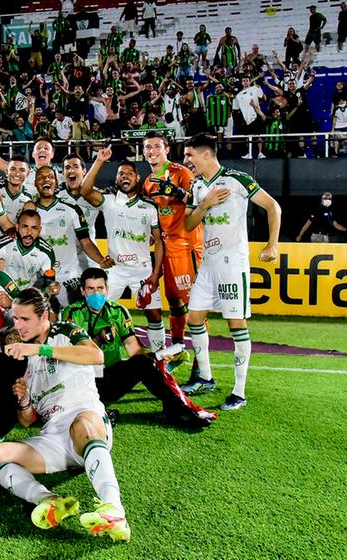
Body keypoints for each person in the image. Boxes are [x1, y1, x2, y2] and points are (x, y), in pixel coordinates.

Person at [0, 288, 130, 542]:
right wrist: (24, 398)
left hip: (87, 421)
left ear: (44, 315)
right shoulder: (25, 362)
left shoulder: (65, 331)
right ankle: (49, 501)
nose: (19, 325)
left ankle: (115, 511)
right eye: (15, 319)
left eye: (24, 319)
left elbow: (96, 355)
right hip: (53, 436)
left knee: (82, 425)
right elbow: (27, 421)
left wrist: (40, 351)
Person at [180, 133, 282, 410]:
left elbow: (273, 206)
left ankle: (239, 392)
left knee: (236, 323)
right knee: (194, 317)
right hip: (209, 263)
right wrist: (205, 204)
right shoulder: (198, 186)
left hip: (231, 263)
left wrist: (272, 245)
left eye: (190, 155)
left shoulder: (237, 179)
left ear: (206, 154)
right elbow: (188, 224)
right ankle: (206, 376)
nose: (187, 159)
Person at [62, 267, 213, 428]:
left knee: (143, 362)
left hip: (110, 379)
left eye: (100, 288)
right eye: (90, 289)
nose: (96, 293)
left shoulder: (118, 311)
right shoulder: (71, 313)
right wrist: (99, 339)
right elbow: (73, 354)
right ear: (82, 291)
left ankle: (178, 411)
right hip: (83, 381)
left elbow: (133, 349)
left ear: (107, 289)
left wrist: (154, 358)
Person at [78, 147, 165, 351]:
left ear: (138, 178)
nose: (125, 176)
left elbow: (159, 241)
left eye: (129, 173)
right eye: (121, 173)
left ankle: (160, 359)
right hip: (115, 270)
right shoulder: (108, 201)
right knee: (97, 309)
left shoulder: (149, 206)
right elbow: (85, 191)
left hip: (142, 271)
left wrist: (155, 273)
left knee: (154, 314)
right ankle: (94, 357)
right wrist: (99, 161)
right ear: (116, 179)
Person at [139, 132, 204, 361]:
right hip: (164, 246)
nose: (152, 151)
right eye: (148, 147)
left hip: (186, 244)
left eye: (157, 146)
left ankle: (200, 364)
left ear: (166, 149)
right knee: (174, 301)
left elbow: (199, 201)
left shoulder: (180, 172)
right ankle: (178, 352)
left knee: (194, 305)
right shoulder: (147, 182)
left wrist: (177, 192)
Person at [29, 165, 110, 304]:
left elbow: (85, 241)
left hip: (69, 275)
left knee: (74, 319)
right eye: (41, 177)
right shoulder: (29, 212)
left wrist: (101, 260)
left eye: (50, 177)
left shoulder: (72, 209)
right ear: (35, 183)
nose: (46, 180)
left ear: (56, 182)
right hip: (39, 276)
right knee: (43, 320)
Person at [0, 208, 58, 293]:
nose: (29, 232)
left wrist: (51, 288)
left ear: (39, 230)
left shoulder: (46, 252)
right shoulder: (0, 244)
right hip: (1, 293)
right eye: (25, 227)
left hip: (27, 296)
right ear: (17, 227)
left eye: (34, 228)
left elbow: (48, 283)